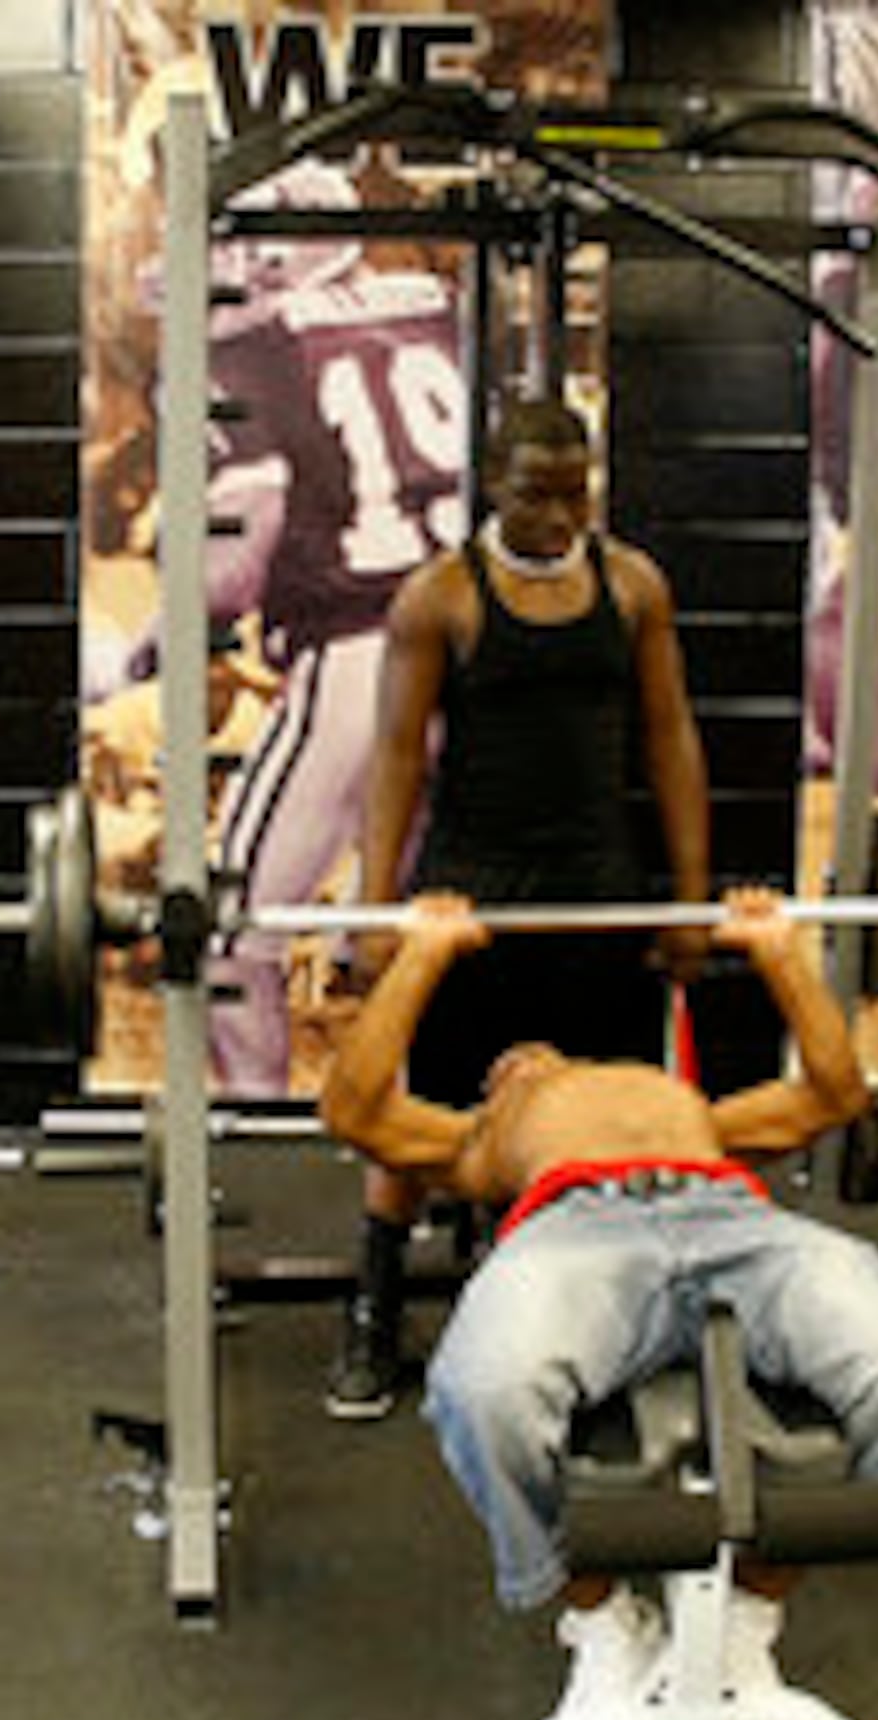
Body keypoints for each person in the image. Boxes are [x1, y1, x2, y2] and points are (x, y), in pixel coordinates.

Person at [321, 887, 878, 1720]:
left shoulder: (681, 1102)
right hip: (574, 1236)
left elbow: (834, 1093)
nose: (521, 1056)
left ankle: (750, 1621)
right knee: (481, 1389)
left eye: (536, 1054)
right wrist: (421, 954)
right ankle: (601, 1623)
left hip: (732, 1218)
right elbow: (352, 1108)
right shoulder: (483, 1137)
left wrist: (780, 954)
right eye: (504, 1065)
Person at [331, 397, 713, 1422]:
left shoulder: (632, 586)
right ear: (491, 485)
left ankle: (595, 1324)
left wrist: (689, 899)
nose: (558, 515)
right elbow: (397, 758)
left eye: (575, 493)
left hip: (598, 885)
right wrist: (376, 912)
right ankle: (374, 1308)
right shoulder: (441, 597)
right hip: (475, 886)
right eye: (536, 493)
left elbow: (671, 737)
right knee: (420, 1123)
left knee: (606, 1118)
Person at [197, 160, 471, 1095]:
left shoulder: (256, 345)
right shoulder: (440, 308)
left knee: (230, 935)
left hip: (360, 655)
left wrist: (162, 641)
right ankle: (424, 1139)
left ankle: (260, 1137)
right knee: (418, 935)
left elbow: (244, 545)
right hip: (479, 654)